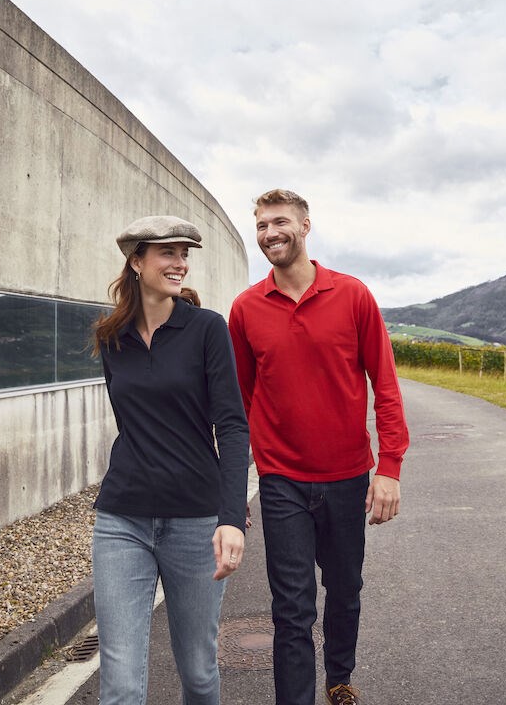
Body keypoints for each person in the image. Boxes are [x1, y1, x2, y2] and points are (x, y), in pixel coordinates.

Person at [228, 190, 409, 705]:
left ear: (305, 226)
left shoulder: (352, 295)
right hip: (281, 479)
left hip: (348, 475)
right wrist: (236, 483)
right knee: (291, 606)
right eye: (261, 226)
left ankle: (339, 676)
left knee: (345, 589)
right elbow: (240, 400)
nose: (269, 233)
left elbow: (385, 384)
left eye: (279, 222)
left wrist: (389, 467)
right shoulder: (246, 309)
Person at [92, 215, 249, 705]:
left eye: (184, 254)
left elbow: (232, 425)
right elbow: (129, 422)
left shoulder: (207, 329)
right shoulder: (111, 336)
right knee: (119, 680)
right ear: (137, 262)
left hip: (195, 521)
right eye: (168, 253)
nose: (180, 263)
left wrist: (231, 516)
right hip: (122, 519)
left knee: (199, 672)